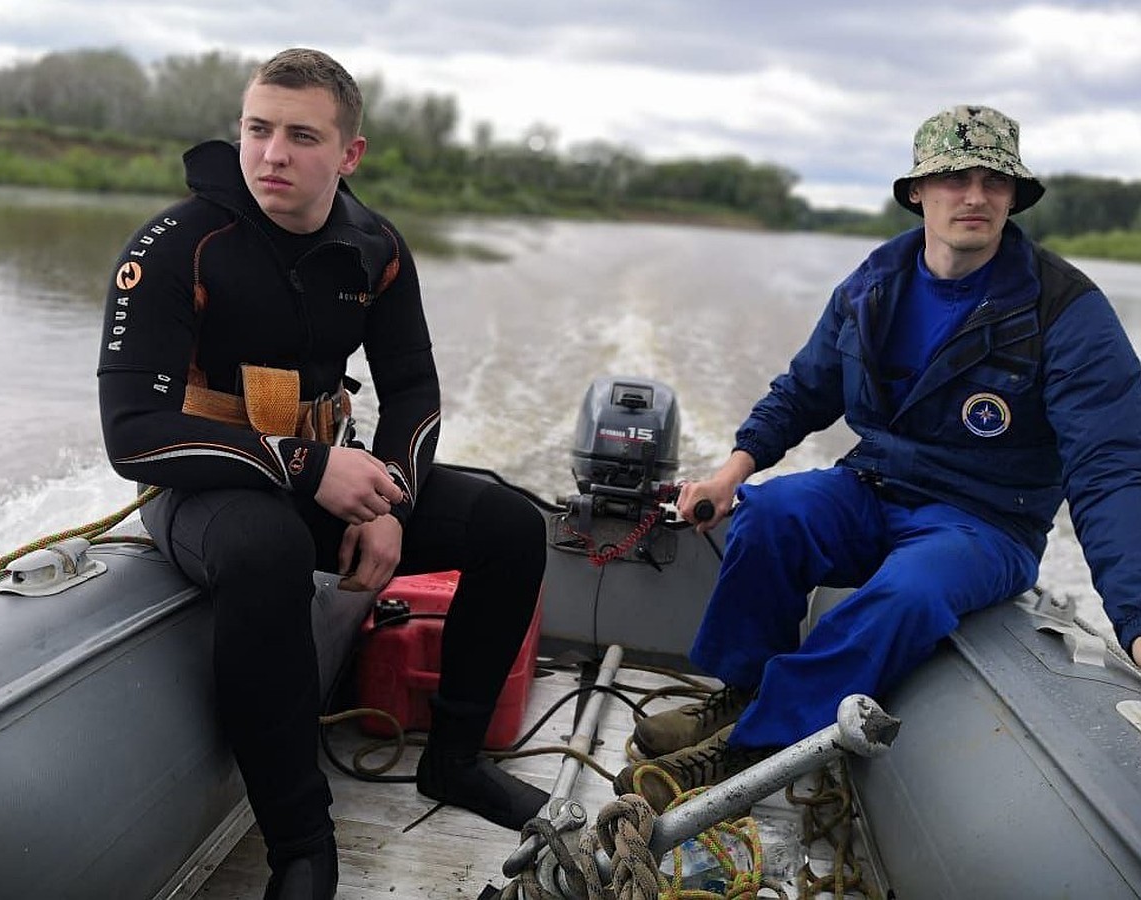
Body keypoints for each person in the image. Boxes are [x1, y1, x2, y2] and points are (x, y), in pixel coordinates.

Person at [97, 47, 548, 899]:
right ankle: (302, 845)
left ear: (349, 154)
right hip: (202, 487)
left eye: (302, 136)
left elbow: (412, 389)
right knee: (265, 545)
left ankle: (453, 763)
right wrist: (310, 468)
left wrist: (393, 502)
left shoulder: (373, 248)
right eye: (257, 129)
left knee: (512, 527)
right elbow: (134, 434)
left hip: (323, 477)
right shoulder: (177, 246)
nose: (272, 154)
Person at [613, 104, 1141, 813]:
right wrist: (733, 472)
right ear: (918, 191)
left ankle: (749, 747)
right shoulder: (875, 283)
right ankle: (738, 695)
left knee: (911, 591)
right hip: (874, 485)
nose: (975, 196)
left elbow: (1111, 472)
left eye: (994, 180)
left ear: (1015, 196)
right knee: (770, 516)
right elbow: (805, 389)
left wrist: (1136, 622)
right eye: (955, 178)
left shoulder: (1066, 312)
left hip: (987, 522)